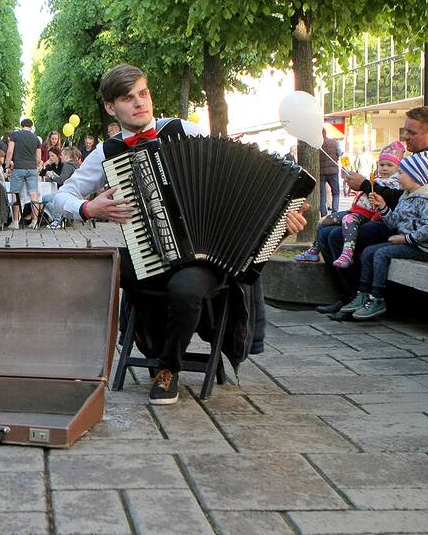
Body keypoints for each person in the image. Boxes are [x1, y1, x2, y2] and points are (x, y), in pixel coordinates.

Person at [53, 64, 307, 405]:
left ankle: (167, 368)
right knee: (93, 267)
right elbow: (61, 197)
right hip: (151, 250)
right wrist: (89, 209)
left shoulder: (183, 130)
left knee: (184, 288)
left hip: (204, 255)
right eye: (128, 98)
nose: (140, 103)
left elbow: (240, 183)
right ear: (112, 108)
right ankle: (79, 363)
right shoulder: (108, 152)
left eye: (143, 94)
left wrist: (282, 218)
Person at [320, 106, 428, 310]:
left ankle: (356, 297)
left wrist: (366, 185)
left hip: (408, 230)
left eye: (412, 132)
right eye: (405, 131)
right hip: (396, 220)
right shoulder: (417, 158)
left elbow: (402, 197)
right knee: (326, 232)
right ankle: (348, 296)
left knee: (336, 236)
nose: (406, 137)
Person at [342, 151, 428, 321]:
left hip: (420, 247)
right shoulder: (406, 196)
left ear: (415, 177)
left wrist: (405, 239)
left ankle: (377, 298)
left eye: (402, 173)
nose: (397, 177)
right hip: (407, 244)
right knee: (368, 252)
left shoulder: (427, 200)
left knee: (381, 254)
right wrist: (383, 208)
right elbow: (395, 223)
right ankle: (363, 293)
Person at [296, 141, 404, 267]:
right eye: (382, 164)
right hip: (356, 210)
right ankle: (314, 250)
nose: (385, 168)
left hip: (369, 215)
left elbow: (391, 199)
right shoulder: (375, 179)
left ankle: (347, 253)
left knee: (348, 220)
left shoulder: (396, 183)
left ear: (398, 167)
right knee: (325, 220)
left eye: (390, 165)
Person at [5, 118, 42, 227]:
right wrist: (35, 166)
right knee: (34, 194)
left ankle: (15, 222)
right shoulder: (36, 139)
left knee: (15, 194)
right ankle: (35, 221)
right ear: (31, 126)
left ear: (21, 125)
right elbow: (38, 158)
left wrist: (7, 164)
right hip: (32, 169)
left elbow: (10, 150)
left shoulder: (14, 135)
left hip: (18, 167)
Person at [44, 147, 81, 228]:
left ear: (67, 156)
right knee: (52, 199)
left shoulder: (67, 166)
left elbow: (62, 181)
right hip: (75, 193)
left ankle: (57, 220)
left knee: (44, 198)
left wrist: (52, 177)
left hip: (67, 194)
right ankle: (60, 218)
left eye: (62, 155)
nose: (60, 157)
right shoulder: (76, 165)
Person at [318, 128, 343, 216]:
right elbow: (340, 153)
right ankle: (334, 212)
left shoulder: (317, 144)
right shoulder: (334, 142)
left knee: (322, 194)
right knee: (335, 192)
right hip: (333, 171)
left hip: (321, 172)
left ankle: (323, 214)